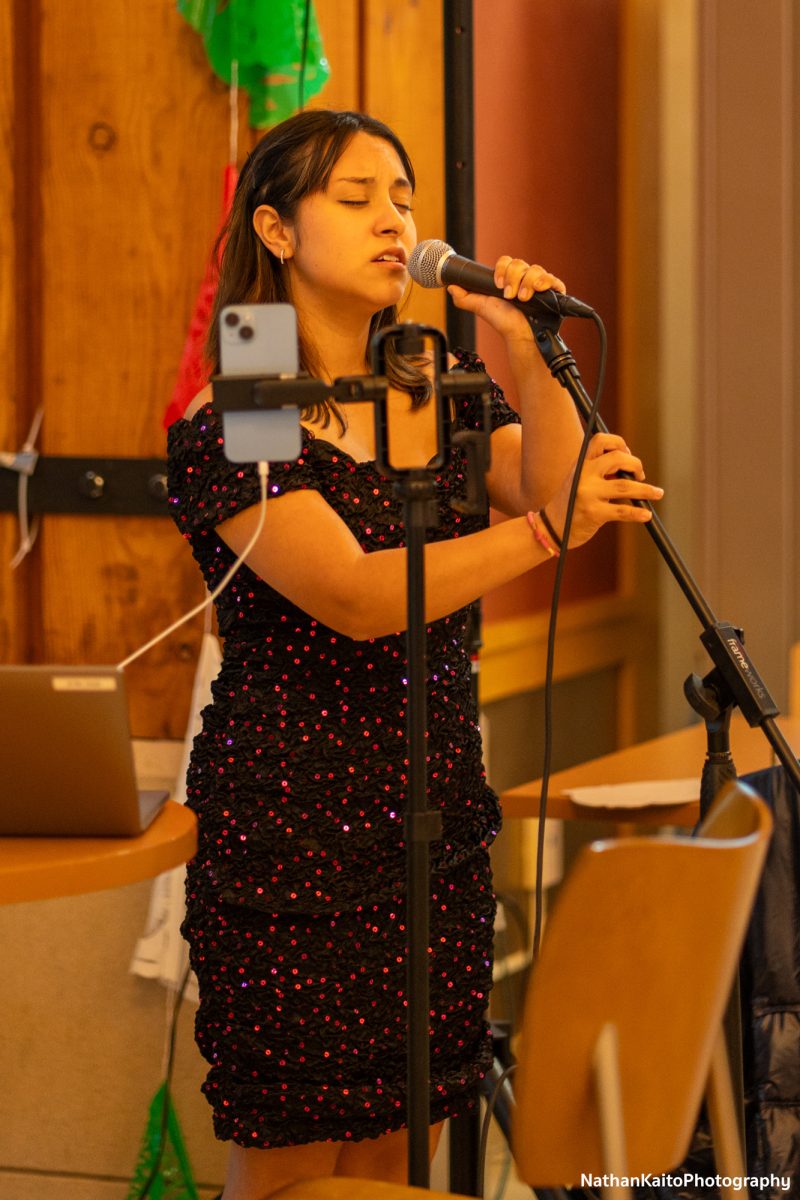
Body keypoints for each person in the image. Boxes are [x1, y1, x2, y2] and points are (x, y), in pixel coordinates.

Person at [167, 109, 663, 1200]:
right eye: (356, 199)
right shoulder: (245, 405)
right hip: (291, 837)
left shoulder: (431, 385)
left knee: (400, 1159)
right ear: (277, 229)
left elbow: (551, 483)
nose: (394, 220)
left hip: (431, 824)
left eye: (402, 196)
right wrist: (543, 534)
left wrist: (527, 352)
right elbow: (349, 594)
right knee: (301, 1172)